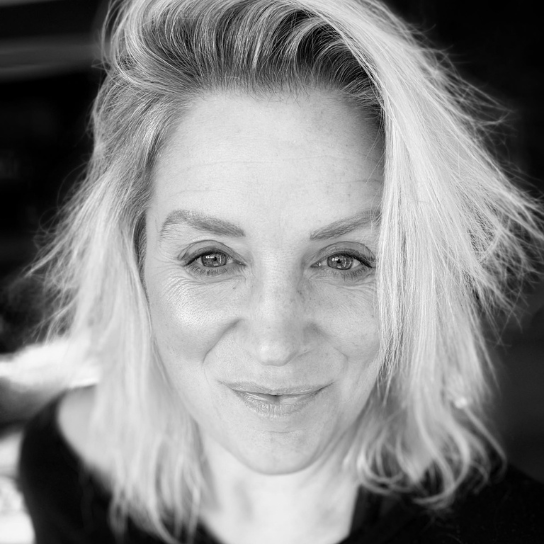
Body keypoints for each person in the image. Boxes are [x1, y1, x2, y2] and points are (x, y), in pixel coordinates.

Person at [16, 0, 544, 542]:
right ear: (136, 257)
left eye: (344, 260)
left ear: (413, 275)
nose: (275, 344)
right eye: (211, 258)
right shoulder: (66, 468)